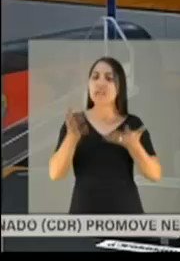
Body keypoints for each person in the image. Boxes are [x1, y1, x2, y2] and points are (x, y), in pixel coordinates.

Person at [49, 56, 161, 214]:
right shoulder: (75, 123)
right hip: (84, 214)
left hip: (126, 215)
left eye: (109, 78)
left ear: (120, 87)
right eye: (95, 77)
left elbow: (155, 174)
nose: (100, 83)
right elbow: (55, 174)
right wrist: (72, 138)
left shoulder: (132, 124)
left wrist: (134, 146)